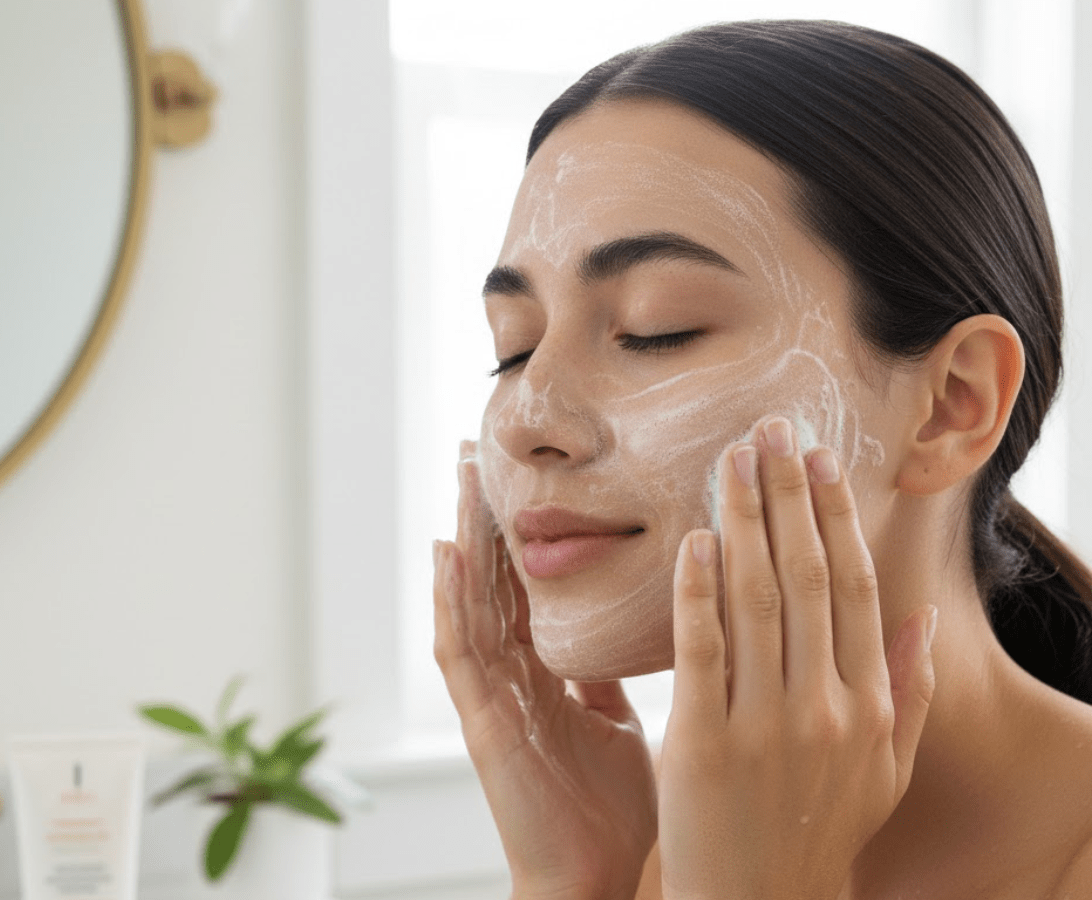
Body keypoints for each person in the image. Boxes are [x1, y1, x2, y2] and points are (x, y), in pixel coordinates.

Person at [432, 19, 1092, 900]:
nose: (526, 419)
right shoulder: (673, 852)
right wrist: (575, 878)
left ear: (952, 406)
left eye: (654, 330)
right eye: (514, 348)